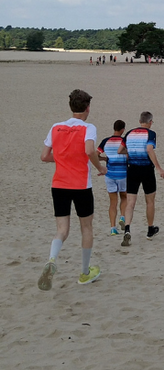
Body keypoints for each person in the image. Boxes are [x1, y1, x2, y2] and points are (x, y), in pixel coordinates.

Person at [38, 88, 107, 289]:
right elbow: (88, 150)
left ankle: (51, 260)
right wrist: (100, 167)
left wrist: (63, 158)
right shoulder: (88, 127)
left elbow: (44, 156)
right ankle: (84, 272)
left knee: (62, 229)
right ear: (87, 108)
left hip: (59, 184)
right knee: (86, 227)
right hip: (80, 185)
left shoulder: (56, 127)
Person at [122, 111, 164, 241]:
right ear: (150, 122)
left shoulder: (129, 133)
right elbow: (149, 149)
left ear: (139, 121)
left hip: (132, 169)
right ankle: (150, 229)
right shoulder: (150, 133)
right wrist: (159, 168)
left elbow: (120, 150)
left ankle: (127, 229)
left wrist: (131, 152)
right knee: (150, 201)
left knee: (130, 202)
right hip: (146, 169)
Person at [97, 119, 129, 243]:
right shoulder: (124, 141)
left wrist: (104, 159)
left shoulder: (106, 141)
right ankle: (122, 216)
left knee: (112, 202)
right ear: (122, 130)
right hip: (122, 173)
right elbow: (128, 156)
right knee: (124, 197)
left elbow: (95, 154)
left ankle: (112, 228)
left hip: (109, 174)